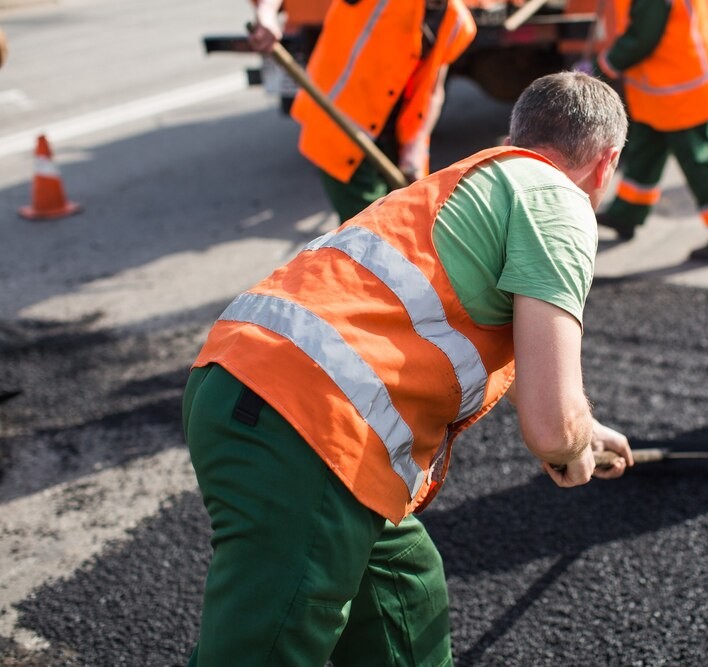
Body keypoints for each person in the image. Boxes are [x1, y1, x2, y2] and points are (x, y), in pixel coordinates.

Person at [183, 71, 634, 666]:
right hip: (307, 423)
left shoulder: (475, 181)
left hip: (242, 384)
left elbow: (525, 361)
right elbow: (552, 428)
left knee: (405, 594)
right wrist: (570, 448)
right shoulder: (561, 203)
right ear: (606, 164)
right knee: (265, 651)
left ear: (515, 137)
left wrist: (587, 430)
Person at [249, 0, 476, 222]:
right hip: (342, 131)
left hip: (395, 141)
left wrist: (414, 149)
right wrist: (267, 13)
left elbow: (433, 89)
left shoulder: (457, 22)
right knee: (370, 229)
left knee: (404, 226)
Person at [589, 0, 708, 260]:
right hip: (661, 86)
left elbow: (643, 36)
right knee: (646, 151)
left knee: (700, 161)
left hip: (678, 88)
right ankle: (626, 213)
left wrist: (603, 65)